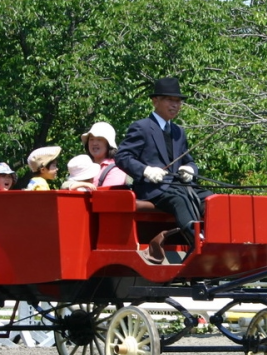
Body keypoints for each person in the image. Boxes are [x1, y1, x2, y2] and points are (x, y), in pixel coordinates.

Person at [115, 77, 213, 263]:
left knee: (211, 199)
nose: (175, 105)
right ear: (155, 101)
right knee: (179, 199)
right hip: (153, 189)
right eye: (170, 100)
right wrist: (145, 170)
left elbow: (189, 161)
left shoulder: (178, 132)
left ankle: (218, 240)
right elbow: (122, 157)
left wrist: (190, 169)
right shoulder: (141, 127)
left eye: (178, 101)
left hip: (179, 186)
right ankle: (199, 246)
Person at [80, 122, 128, 186]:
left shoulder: (116, 169)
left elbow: (107, 194)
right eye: (91, 139)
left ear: (108, 144)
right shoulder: (84, 165)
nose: (94, 143)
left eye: (99, 139)